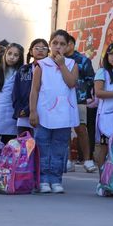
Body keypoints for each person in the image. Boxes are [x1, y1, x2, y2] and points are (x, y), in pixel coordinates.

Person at [29, 29, 79, 194]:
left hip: (64, 114)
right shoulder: (41, 65)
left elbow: (71, 82)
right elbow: (35, 90)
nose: (58, 47)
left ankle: (56, 179)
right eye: (55, 43)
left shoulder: (72, 64)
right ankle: (43, 179)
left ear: (68, 46)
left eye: (62, 44)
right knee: (43, 146)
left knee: (59, 147)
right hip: (44, 113)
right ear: (50, 45)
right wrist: (33, 111)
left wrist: (62, 64)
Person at [65, 33, 97, 173]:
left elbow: (91, 78)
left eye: (64, 44)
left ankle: (87, 160)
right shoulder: (56, 60)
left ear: (71, 44)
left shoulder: (82, 60)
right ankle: (68, 160)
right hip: (61, 99)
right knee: (64, 130)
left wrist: (86, 93)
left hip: (78, 98)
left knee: (81, 128)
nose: (60, 47)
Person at [13, 38, 48, 136]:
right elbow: (16, 91)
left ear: (48, 52)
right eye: (37, 48)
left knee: (39, 143)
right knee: (23, 144)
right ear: (31, 51)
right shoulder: (23, 69)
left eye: (44, 48)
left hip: (41, 112)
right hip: (22, 113)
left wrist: (29, 109)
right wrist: (19, 109)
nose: (40, 50)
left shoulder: (50, 69)